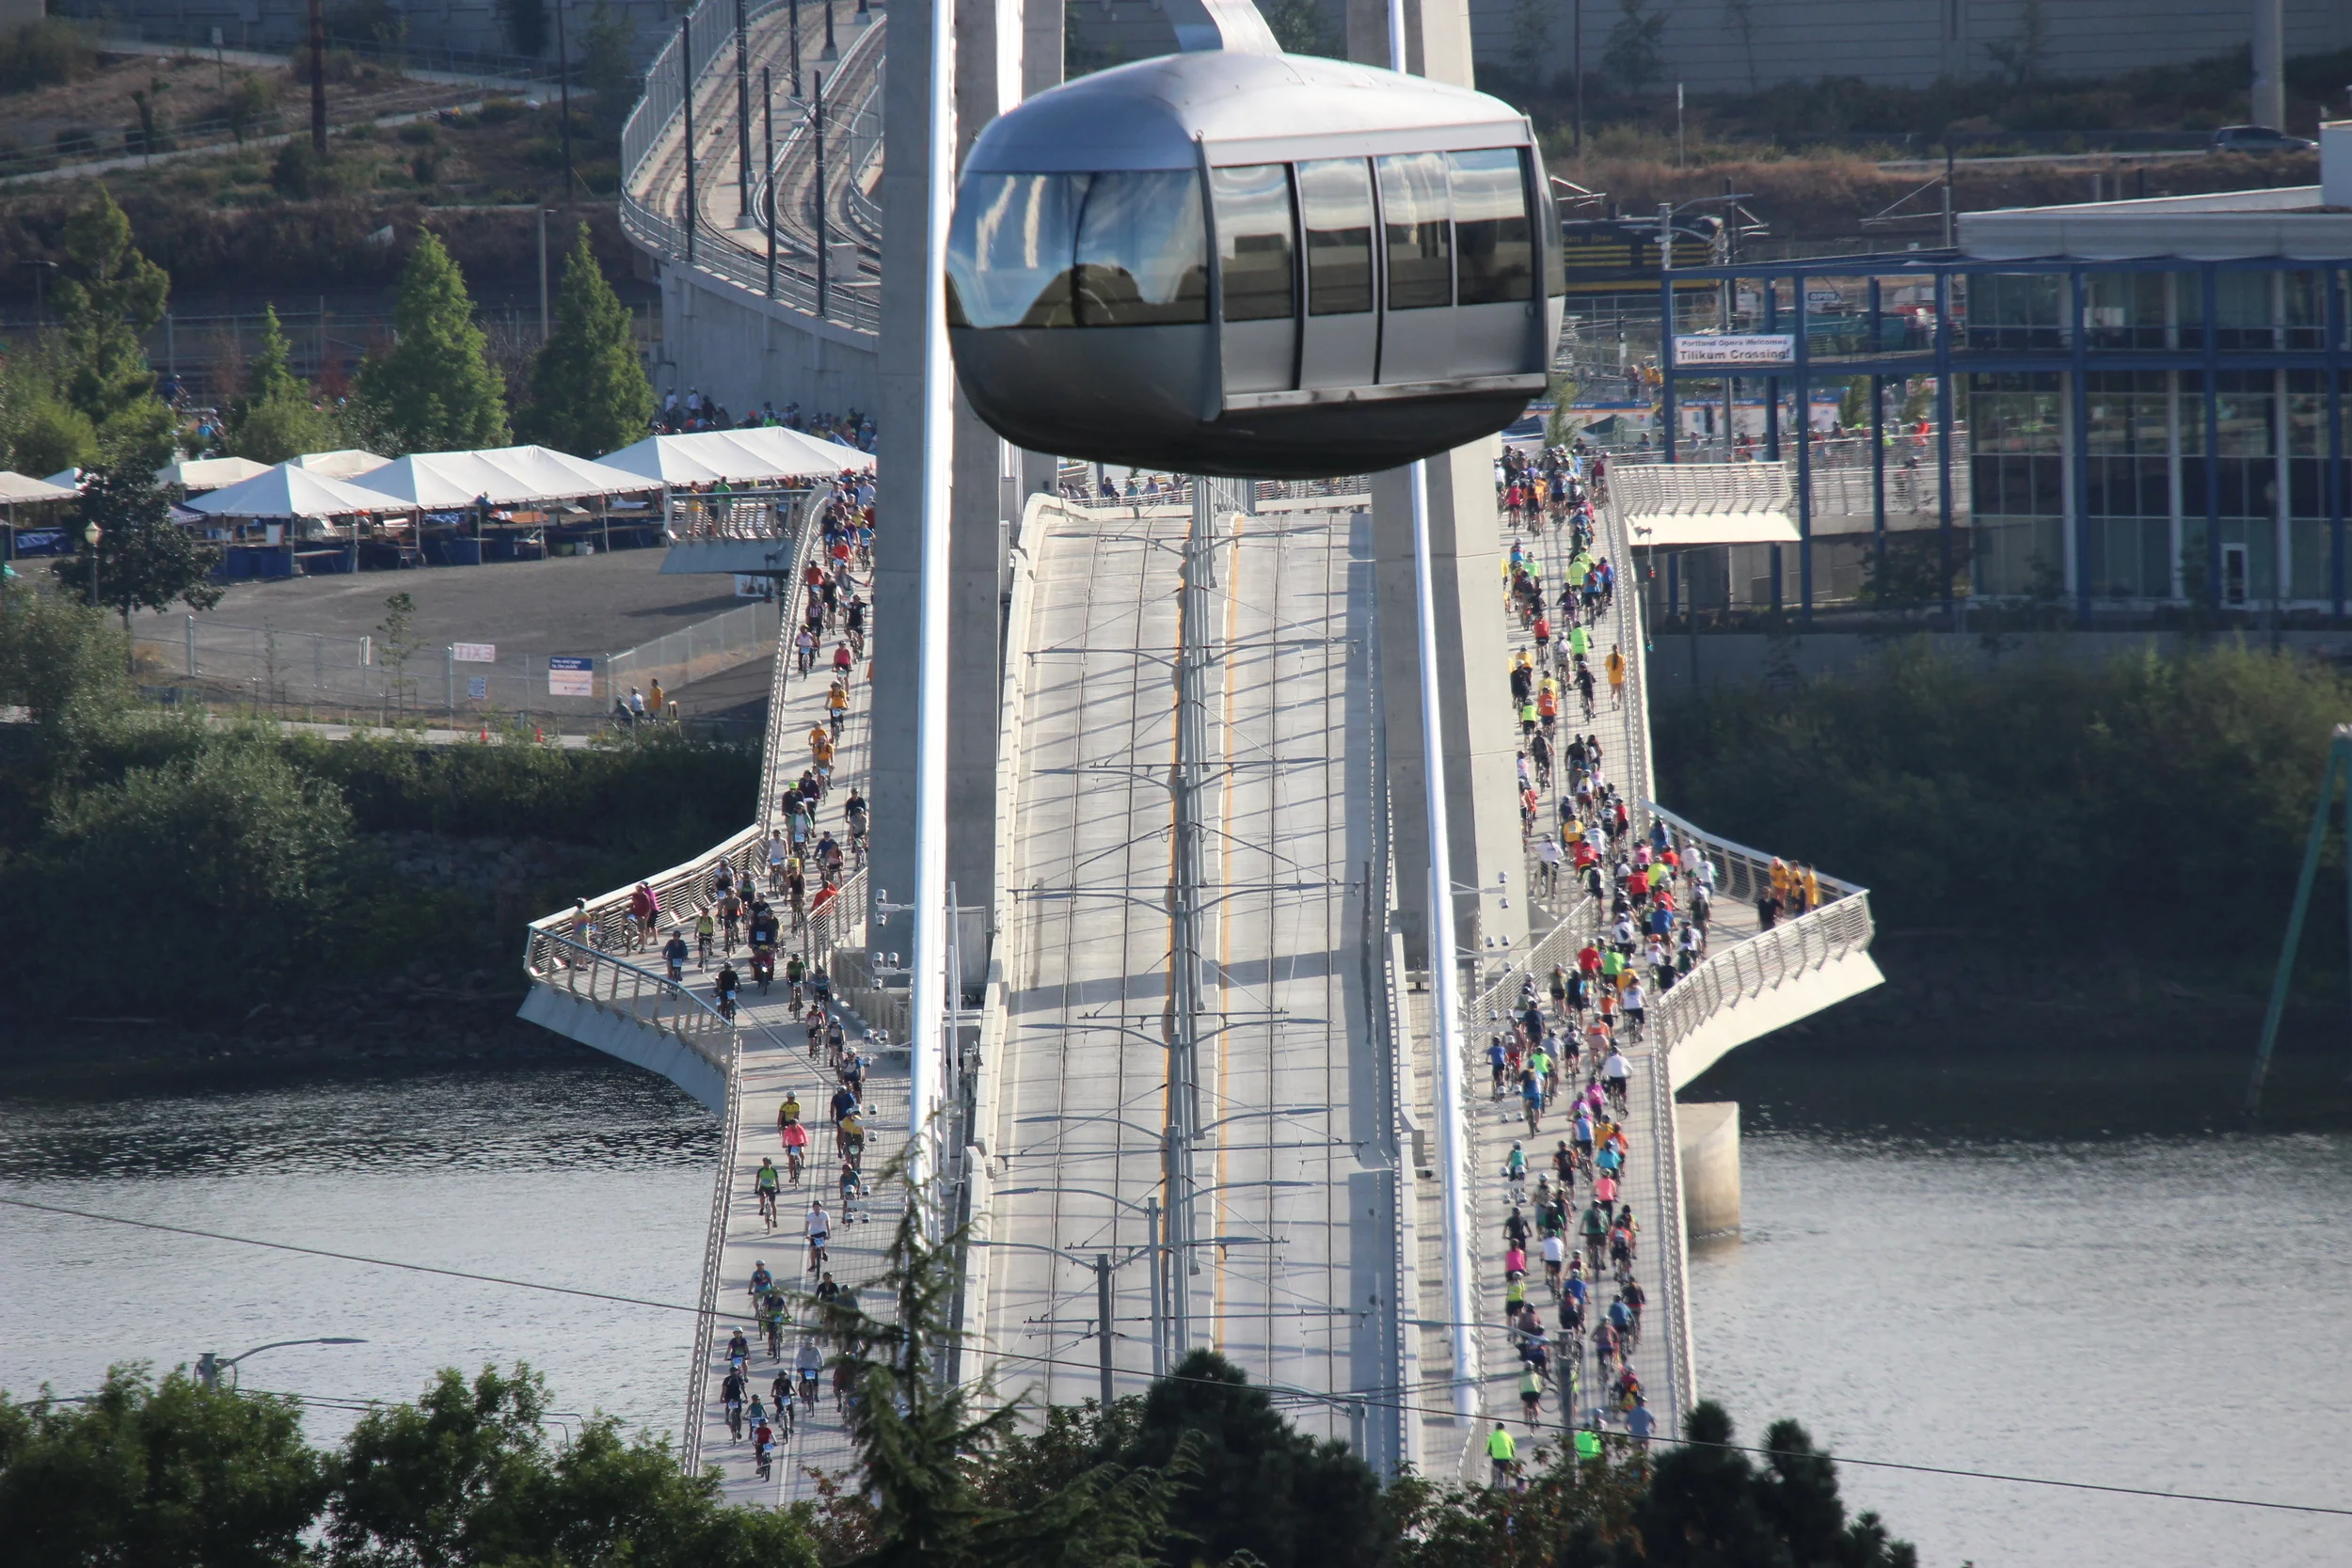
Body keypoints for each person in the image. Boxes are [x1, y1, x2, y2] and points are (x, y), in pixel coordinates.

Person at [1486, 1422, 1518, 1487]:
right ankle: (1506, 1483)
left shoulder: (1492, 1436)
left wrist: (1489, 1453)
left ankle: (1493, 1482)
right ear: (1503, 1428)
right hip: (1507, 1456)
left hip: (1496, 1457)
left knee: (1493, 1468)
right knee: (1507, 1469)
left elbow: (1488, 1448)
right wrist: (1513, 1454)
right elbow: (1512, 1446)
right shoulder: (1508, 1436)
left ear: (1496, 1428)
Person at [755, 1156, 781, 1228]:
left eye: (767, 1163)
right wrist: (756, 1189)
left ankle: (775, 1220)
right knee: (762, 1196)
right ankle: (762, 1207)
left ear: (770, 1163)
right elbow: (757, 1181)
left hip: (771, 1187)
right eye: (764, 1163)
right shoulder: (760, 1171)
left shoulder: (773, 1171)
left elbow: (776, 1180)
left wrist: (778, 1189)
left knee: (773, 1203)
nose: (765, 1164)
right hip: (763, 1187)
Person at [805, 1199, 831, 1271]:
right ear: (813, 1208)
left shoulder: (824, 1214)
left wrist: (829, 1234)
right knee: (813, 1249)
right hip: (813, 1233)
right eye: (815, 1207)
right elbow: (807, 1225)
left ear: (820, 1207)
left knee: (822, 1242)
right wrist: (807, 1235)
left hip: (822, 1232)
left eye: (818, 1207)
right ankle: (813, 1265)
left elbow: (827, 1224)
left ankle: (824, 1253)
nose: (816, 1208)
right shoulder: (810, 1216)